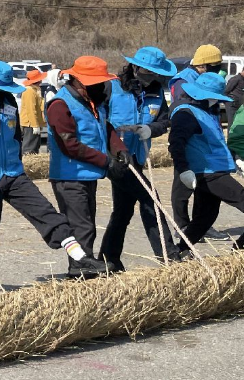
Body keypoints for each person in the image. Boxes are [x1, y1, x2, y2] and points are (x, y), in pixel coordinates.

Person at [0, 61, 105, 292]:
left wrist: (17, 162)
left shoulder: (8, 101)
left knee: (46, 213)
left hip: (13, 174)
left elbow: (15, 136)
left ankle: (81, 258)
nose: (3, 91)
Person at [46, 57, 129, 278]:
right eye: (95, 82)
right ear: (79, 81)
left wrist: (119, 149)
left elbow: (105, 128)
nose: (100, 86)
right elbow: (70, 145)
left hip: (88, 173)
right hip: (70, 175)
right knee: (81, 226)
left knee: (87, 222)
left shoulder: (93, 102)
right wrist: (105, 161)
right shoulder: (60, 105)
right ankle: (79, 269)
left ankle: (84, 267)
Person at [98, 47, 180, 270]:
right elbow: (99, 119)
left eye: (154, 74)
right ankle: (168, 254)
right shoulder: (111, 87)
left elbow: (164, 121)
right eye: (146, 72)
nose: (150, 77)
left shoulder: (156, 92)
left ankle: (108, 259)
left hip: (138, 157)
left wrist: (150, 129)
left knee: (123, 211)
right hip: (117, 158)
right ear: (134, 67)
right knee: (150, 199)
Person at [170, 73, 244, 254]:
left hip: (214, 169)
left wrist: (236, 160)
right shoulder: (187, 114)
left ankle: (179, 251)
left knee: (205, 217)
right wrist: (183, 169)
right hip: (208, 172)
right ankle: (239, 249)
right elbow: (176, 142)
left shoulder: (207, 112)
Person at [169, 45, 220, 235]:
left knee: (204, 184)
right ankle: (181, 224)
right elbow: (182, 109)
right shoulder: (183, 81)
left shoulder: (205, 77)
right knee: (183, 184)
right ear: (204, 65)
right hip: (190, 137)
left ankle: (201, 224)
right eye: (215, 66)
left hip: (206, 136)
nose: (218, 70)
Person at [18, 69, 46, 155]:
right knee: (29, 149)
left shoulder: (35, 90)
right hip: (30, 124)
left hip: (33, 122)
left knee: (35, 147)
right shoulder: (29, 91)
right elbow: (30, 110)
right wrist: (35, 125)